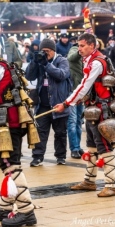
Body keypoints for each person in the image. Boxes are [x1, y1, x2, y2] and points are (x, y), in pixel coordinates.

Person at [0, 38, 38, 226]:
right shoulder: (6, 65)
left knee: (11, 166)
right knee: (9, 164)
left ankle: (26, 211)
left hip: (5, 123)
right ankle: (4, 208)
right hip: (14, 120)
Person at [54, 32, 115, 198]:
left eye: (82, 46)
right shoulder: (91, 60)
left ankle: (111, 184)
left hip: (101, 108)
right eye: (79, 45)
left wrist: (66, 103)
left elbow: (83, 86)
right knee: (91, 145)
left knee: (103, 147)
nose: (79, 48)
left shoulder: (97, 62)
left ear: (92, 45)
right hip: (93, 107)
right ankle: (90, 181)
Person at [26, 38, 72, 167]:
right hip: (43, 104)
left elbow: (61, 75)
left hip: (59, 104)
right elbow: (29, 76)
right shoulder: (40, 61)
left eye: (47, 51)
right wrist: (35, 61)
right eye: (42, 51)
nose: (45, 54)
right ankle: (37, 157)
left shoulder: (62, 61)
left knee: (60, 133)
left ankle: (61, 156)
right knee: (40, 132)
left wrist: (46, 64)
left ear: (53, 50)